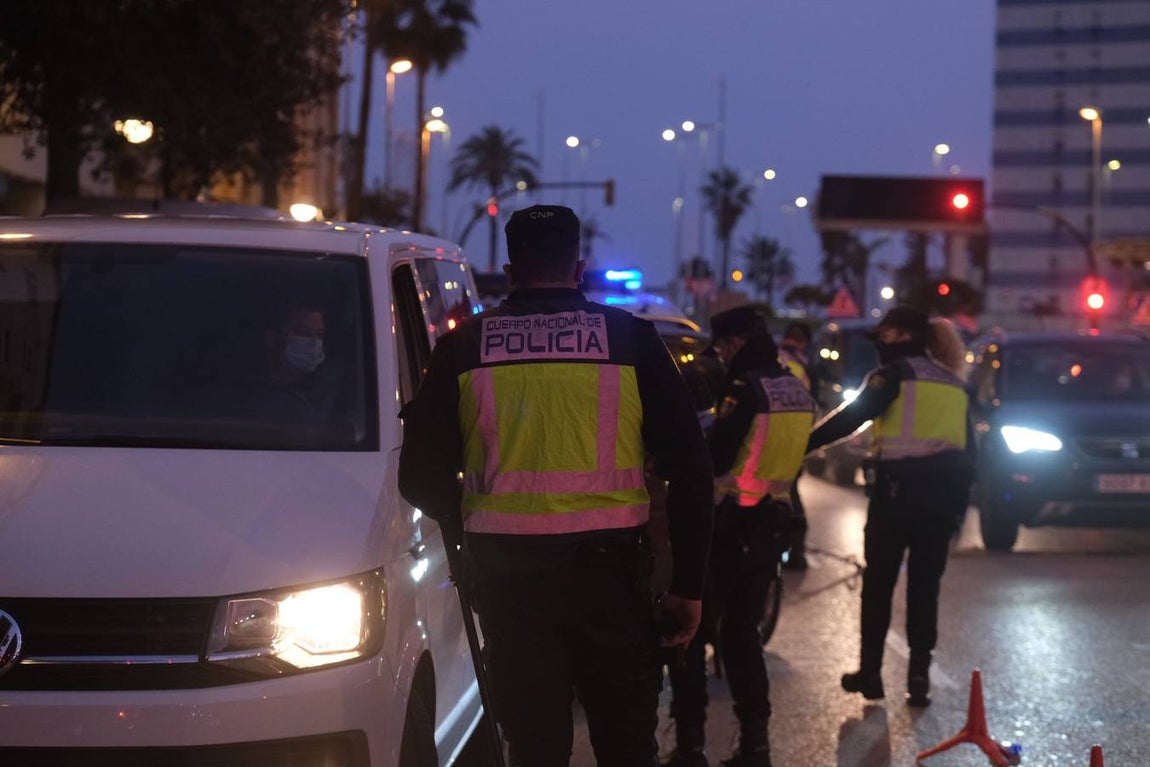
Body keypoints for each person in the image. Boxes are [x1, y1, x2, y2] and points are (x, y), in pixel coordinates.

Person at [398, 204, 714, 767]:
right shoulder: (632, 342)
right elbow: (690, 467)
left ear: (511, 267)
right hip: (612, 584)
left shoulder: (465, 346)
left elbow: (420, 476)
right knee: (625, 746)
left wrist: (470, 537)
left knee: (536, 746)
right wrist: (688, 586)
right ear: (580, 267)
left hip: (509, 585)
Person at [664, 305, 815, 767]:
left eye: (726, 346)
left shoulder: (743, 389)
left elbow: (719, 457)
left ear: (739, 343)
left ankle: (690, 748)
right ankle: (755, 746)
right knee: (743, 638)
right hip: (768, 528)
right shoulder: (794, 387)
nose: (723, 355)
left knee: (688, 636)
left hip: (725, 528)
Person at [805, 306, 974, 708]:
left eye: (882, 336)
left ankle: (871, 673)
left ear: (898, 336)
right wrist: (959, 513)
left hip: (896, 499)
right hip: (942, 502)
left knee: (878, 586)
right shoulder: (953, 383)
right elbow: (971, 455)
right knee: (924, 589)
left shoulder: (892, 376)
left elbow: (852, 418)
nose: (878, 344)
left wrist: (803, 445)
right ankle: (918, 678)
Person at [777, 321, 816, 571]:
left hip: (762, 440)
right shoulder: (802, 368)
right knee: (790, 497)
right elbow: (810, 408)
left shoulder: (772, 358)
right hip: (791, 443)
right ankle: (796, 552)